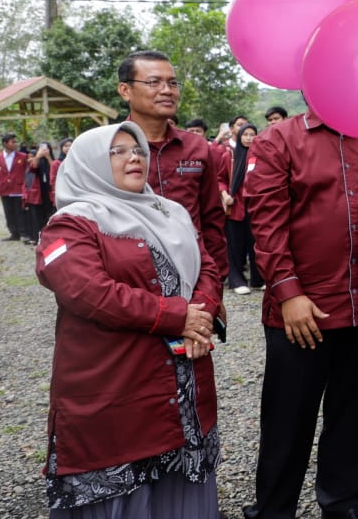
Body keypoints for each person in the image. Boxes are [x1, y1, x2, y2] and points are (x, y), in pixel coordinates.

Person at [36, 121, 222, 518]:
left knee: (181, 484)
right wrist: (176, 316)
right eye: (116, 151)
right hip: (118, 383)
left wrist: (201, 314)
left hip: (185, 379)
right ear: (89, 164)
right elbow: (88, 291)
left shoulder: (171, 212)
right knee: (125, 490)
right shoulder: (70, 224)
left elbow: (207, 265)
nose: (133, 157)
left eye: (136, 149)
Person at [243, 108, 358, 519]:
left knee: (355, 417)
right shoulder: (279, 139)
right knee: (288, 419)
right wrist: (288, 292)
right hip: (302, 310)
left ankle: (342, 503)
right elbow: (267, 225)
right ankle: (273, 509)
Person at [118, 51, 228, 283]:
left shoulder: (197, 148)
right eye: (153, 82)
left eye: (172, 83)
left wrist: (214, 285)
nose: (167, 90)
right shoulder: (106, 147)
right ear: (125, 91)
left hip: (193, 276)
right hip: (131, 281)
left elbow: (212, 221)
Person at [222, 123, 262, 295]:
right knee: (235, 246)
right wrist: (224, 195)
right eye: (245, 134)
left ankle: (258, 279)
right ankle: (237, 279)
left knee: (256, 244)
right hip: (236, 207)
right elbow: (219, 178)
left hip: (255, 207)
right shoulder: (229, 156)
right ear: (239, 137)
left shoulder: (261, 156)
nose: (249, 138)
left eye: (252, 134)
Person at [0, 133, 29, 241]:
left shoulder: (22, 156)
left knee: (20, 211)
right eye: (12, 142)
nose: (15, 144)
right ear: (5, 143)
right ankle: (14, 233)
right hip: (4, 189)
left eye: (15, 141)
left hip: (18, 188)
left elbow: (27, 173)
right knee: (9, 212)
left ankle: (24, 233)